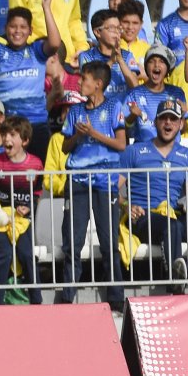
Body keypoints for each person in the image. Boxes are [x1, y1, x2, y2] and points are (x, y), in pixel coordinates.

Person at [59, 60, 127, 310]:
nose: (79, 83)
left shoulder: (113, 106)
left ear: (98, 84)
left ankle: (116, 298)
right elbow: (66, 146)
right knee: (72, 242)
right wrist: (78, 135)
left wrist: (93, 133)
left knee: (109, 241)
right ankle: (68, 297)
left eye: (84, 80)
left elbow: (121, 144)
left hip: (104, 182)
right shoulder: (76, 111)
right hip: (77, 182)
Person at [0, 0, 63, 163]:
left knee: (37, 178)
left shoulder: (37, 51)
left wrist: (46, 8)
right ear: (6, 28)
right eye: (13, 26)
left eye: (23, 27)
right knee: (9, 178)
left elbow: (55, 43)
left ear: (30, 31)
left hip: (37, 126)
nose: (17, 31)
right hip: (8, 128)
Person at [119, 98, 188, 287]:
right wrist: (125, 205)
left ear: (181, 124)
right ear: (155, 122)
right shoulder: (134, 151)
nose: (168, 122)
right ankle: (175, 285)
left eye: (173, 119)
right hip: (143, 216)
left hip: (174, 213)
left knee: (182, 223)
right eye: (164, 118)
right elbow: (112, 188)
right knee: (171, 226)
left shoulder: (187, 155)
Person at [0, 115, 45, 305]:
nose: (7, 139)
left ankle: (36, 300)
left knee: (26, 253)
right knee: (4, 253)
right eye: (5, 134)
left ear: (24, 141)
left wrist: (28, 208)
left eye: (13, 135)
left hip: (22, 220)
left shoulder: (35, 165)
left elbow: (36, 194)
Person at [124, 45, 186, 142]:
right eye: (151, 61)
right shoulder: (134, 94)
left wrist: (183, 114)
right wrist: (132, 117)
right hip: (143, 153)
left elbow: (182, 130)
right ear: (146, 67)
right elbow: (127, 132)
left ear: (168, 68)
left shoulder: (177, 93)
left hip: (169, 153)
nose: (156, 65)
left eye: (161, 61)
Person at [79, 9, 141, 99]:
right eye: (111, 28)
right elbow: (91, 87)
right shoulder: (86, 56)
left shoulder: (127, 56)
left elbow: (135, 88)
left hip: (123, 111)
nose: (116, 32)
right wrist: (111, 61)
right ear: (97, 32)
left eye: (119, 28)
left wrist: (120, 60)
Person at [116, 0, 151, 64]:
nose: (130, 27)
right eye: (126, 22)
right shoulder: (111, 47)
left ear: (141, 24)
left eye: (135, 23)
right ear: (118, 22)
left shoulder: (148, 50)